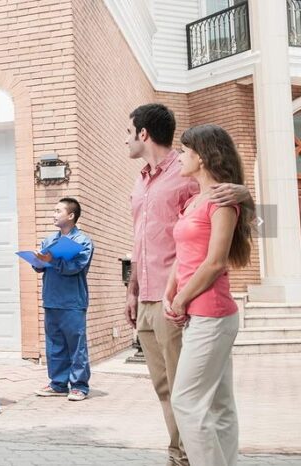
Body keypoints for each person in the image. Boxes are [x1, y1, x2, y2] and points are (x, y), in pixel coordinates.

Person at [124, 103, 250, 466]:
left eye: (128, 133)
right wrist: (132, 291)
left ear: (143, 133)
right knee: (168, 389)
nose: (126, 140)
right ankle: (179, 455)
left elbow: (223, 238)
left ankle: (186, 458)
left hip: (189, 303)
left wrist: (245, 194)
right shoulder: (142, 180)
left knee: (189, 395)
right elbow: (141, 240)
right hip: (151, 296)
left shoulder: (187, 174)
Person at [165, 124, 253, 466]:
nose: (180, 156)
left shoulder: (223, 200)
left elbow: (215, 263)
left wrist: (181, 298)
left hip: (211, 314)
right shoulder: (193, 201)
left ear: (201, 156)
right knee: (218, 404)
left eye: (185, 151)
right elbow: (186, 253)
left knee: (186, 400)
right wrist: (171, 288)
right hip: (199, 313)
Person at [31, 198, 94, 402]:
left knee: (76, 345)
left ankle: (79, 385)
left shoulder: (83, 242)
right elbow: (40, 267)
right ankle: (58, 384)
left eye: (58, 210)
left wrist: (52, 260)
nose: (53, 214)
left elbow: (75, 268)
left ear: (71, 215)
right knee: (54, 345)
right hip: (51, 300)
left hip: (73, 302)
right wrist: (38, 261)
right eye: (53, 209)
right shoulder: (49, 241)